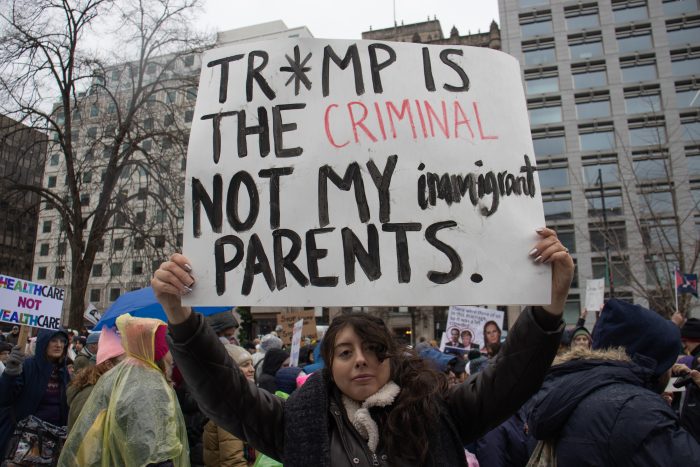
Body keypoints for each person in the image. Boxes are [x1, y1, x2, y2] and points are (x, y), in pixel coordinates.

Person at [152, 227, 574, 466]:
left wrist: (549, 309)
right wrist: (182, 321)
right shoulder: (295, 424)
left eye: (372, 348)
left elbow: (509, 381)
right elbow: (227, 396)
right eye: (345, 352)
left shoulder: (438, 413)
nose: (360, 360)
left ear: (391, 356)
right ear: (328, 365)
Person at [528, 299, 700, 465]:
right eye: (669, 362)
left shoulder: (570, 390)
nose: (672, 370)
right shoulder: (638, 411)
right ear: (654, 363)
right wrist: (653, 413)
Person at [59, 314, 189, 466]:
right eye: (167, 348)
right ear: (157, 353)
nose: (171, 356)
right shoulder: (144, 390)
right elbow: (149, 453)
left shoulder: (128, 382)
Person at [0, 328, 71, 455]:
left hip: (54, 440)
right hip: (24, 439)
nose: (59, 345)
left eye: (63, 341)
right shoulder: (27, 366)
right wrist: (10, 373)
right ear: (44, 342)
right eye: (53, 340)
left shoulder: (65, 373)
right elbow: (5, 397)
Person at [203, 344, 256, 467]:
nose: (252, 369)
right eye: (245, 365)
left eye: (251, 364)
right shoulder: (229, 405)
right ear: (229, 370)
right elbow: (233, 461)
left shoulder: (237, 398)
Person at [66, 327, 125, 431]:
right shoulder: (92, 393)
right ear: (108, 364)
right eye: (122, 362)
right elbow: (83, 433)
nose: (126, 368)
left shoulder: (104, 388)